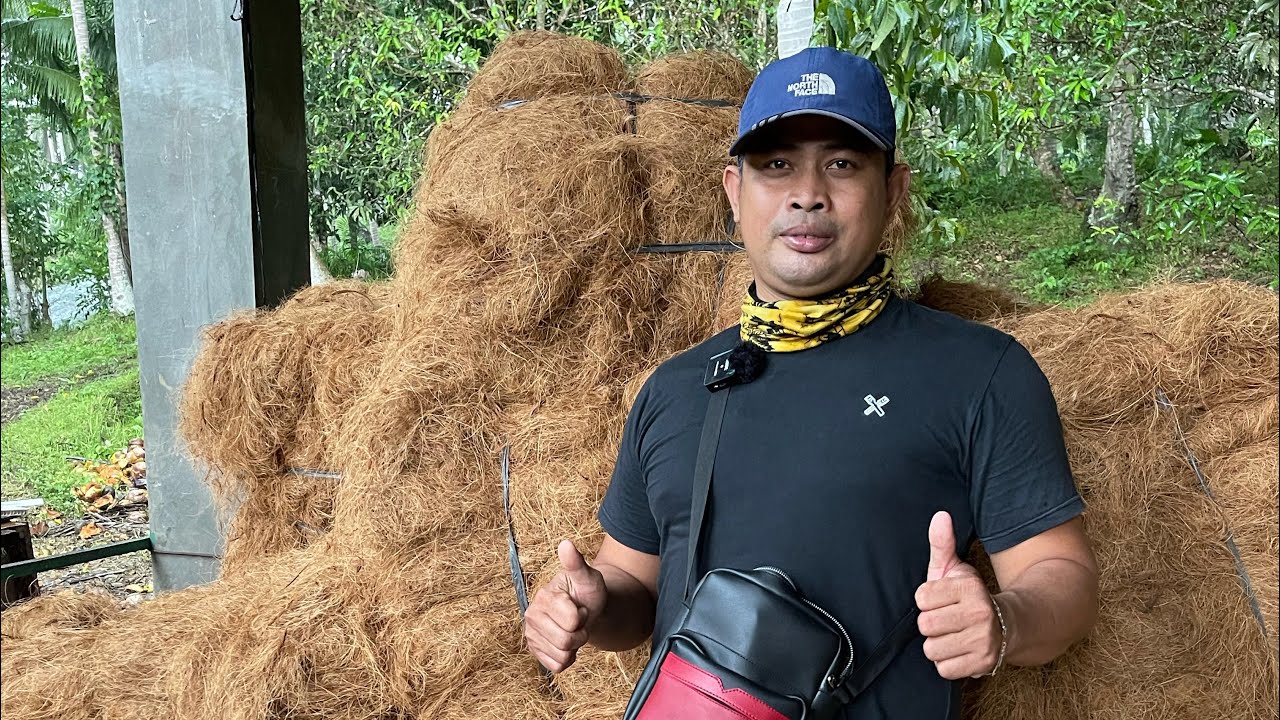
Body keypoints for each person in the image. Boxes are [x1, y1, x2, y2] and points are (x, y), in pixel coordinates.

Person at [523, 47, 1099, 718]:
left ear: (894, 193)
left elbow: (1064, 580)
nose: (806, 193)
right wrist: (589, 604)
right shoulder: (676, 390)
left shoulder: (980, 373)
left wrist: (1004, 623)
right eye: (776, 166)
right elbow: (637, 592)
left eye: (842, 163)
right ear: (734, 191)